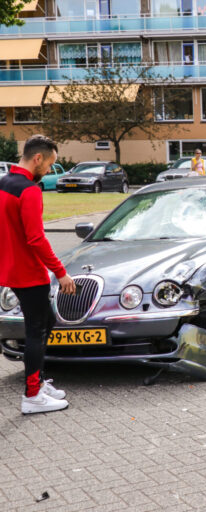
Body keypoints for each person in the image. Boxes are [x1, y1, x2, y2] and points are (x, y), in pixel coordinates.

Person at [0, 135, 76, 414]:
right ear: (38, 159)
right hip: (30, 274)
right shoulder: (29, 190)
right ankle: (32, 395)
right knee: (36, 331)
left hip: (11, 271)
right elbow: (36, 239)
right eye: (49, 165)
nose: (48, 171)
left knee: (48, 321)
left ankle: (39, 381)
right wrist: (61, 272)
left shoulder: (4, 183)